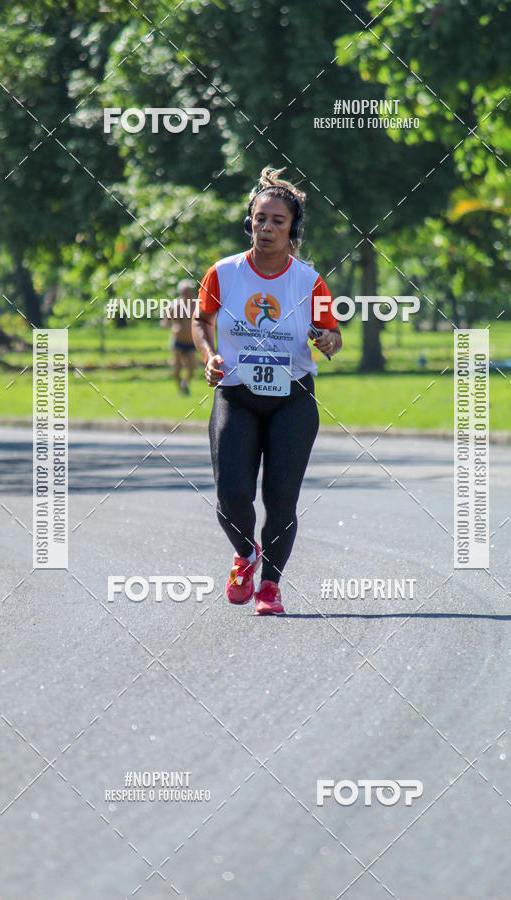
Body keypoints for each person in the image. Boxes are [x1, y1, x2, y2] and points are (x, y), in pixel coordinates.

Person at [192, 166, 342, 615]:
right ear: (249, 223)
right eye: (260, 218)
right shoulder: (223, 273)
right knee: (231, 494)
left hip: (291, 402)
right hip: (236, 396)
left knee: (280, 497)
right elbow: (202, 322)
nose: (267, 227)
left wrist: (327, 340)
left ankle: (270, 586)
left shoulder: (308, 281)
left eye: (278, 220)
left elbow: (332, 335)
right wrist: (209, 356)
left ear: (292, 227)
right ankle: (244, 555)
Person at [163, 279, 198, 394]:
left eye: (190, 291)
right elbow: (165, 321)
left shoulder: (197, 305)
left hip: (191, 341)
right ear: (181, 292)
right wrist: (172, 326)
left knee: (192, 367)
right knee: (177, 367)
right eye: (186, 291)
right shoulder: (175, 305)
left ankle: (185, 384)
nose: (189, 294)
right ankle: (179, 389)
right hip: (178, 340)